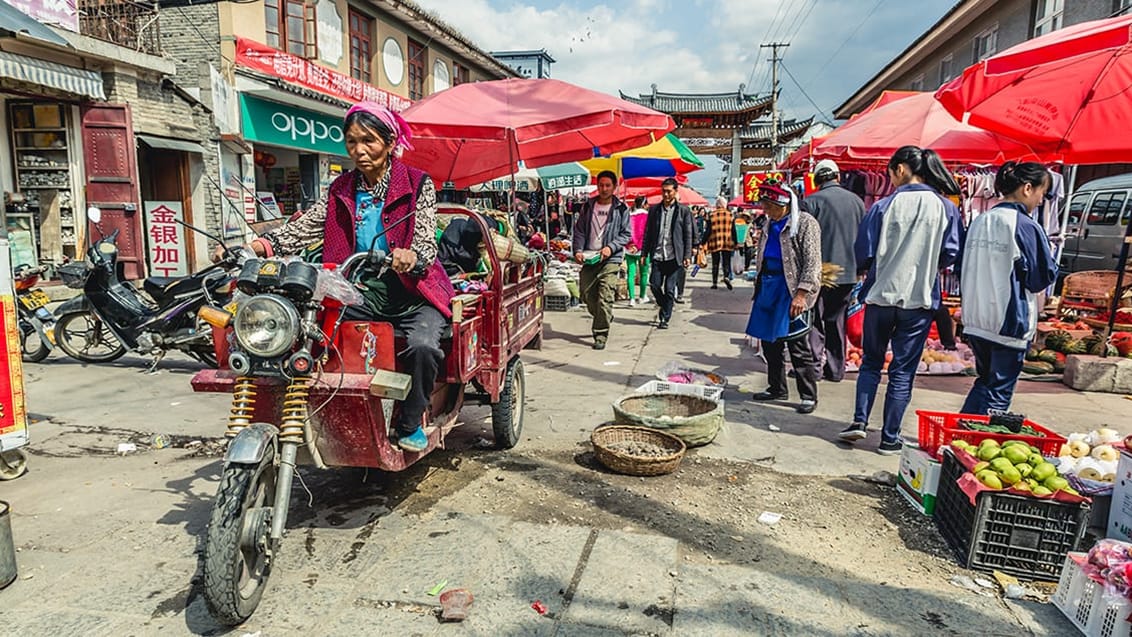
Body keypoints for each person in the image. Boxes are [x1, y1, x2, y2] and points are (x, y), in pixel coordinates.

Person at [213, 101, 454, 453]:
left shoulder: (418, 184)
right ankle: (312, 408)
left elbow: (425, 243)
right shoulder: (341, 187)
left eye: (369, 141)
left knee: (422, 346)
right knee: (306, 329)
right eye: (352, 141)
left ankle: (408, 420)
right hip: (359, 289)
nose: (359, 150)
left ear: (389, 143)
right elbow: (307, 227)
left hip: (414, 291)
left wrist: (410, 257)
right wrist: (261, 244)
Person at [838, 146, 963, 455]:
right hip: (919, 301)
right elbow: (950, 252)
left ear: (902, 169)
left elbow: (863, 253)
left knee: (870, 363)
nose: (889, 179)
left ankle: (859, 421)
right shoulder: (946, 208)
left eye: (890, 172)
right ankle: (890, 438)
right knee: (903, 372)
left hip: (881, 297)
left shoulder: (883, 207)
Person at [959, 162, 1058, 415]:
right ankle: (978, 443)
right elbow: (1041, 277)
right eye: (1041, 193)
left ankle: (959, 438)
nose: (1039, 200)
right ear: (1027, 188)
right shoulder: (1025, 225)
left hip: (976, 319)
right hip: (1008, 322)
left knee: (984, 382)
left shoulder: (981, 220)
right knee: (999, 393)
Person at [746, 180, 823, 414]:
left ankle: (808, 395)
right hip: (768, 286)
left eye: (769, 205)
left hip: (790, 289)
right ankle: (776, 387)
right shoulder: (771, 222)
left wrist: (802, 294)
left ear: (783, 204)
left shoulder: (806, 224)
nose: (765, 210)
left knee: (798, 344)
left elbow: (812, 262)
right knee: (770, 343)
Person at [804, 159, 866, 382]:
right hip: (849, 273)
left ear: (818, 179)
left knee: (814, 321)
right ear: (838, 177)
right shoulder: (858, 202)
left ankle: (814, 369)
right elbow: (865, 239)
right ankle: (836, 369)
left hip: (818, 273)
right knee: (837, 321)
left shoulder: (811, 202)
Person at [572, 170, 632, 349]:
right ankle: (603, 314)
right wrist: (578, 250)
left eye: (608, 185)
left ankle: (600, 334)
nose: (604, 189)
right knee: (586, 294)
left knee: (605, 296)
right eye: (601, 185)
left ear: (614, 187)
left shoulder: (621, 209)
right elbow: (580, 230)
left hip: (611, 259)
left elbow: (626, 234)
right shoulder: (588, 206)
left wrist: (611, 247)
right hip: (590, 258)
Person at [642, 178, 693, 329]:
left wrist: (687, 256)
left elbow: (688, 234)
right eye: (663, 191)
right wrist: (644, 253)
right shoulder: (654, 210)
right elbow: (648, 233)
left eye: (669, 191)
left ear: (675, 192)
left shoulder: (683, 211)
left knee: (670, 289)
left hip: (674, 256)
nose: (666, 194)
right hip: (658, 255)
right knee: (655, 285)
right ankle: (664, 305)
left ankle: (665, 318)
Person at [705, 196, 736, 290]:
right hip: (727, 242)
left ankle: (714, 282)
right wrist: (736, 242)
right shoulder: (730, 215)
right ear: (725, 205)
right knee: (726, 261)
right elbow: (733, 230)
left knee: (715, 262)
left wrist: (703, 242)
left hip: (715, 241)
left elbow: (708, 231)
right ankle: (726, 276)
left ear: (717, 205)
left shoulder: (711, 215)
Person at [625, 196, 651, 306]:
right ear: (645, 204)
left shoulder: (628, 216)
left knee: (631, 274)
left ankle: (631, 298)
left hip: (628, 249)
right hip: (643, 250)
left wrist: (630, 246)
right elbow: (646, 234)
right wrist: (638, 246)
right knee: (644, 273)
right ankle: (642, 296)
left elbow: (625, 233)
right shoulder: (647, 217)